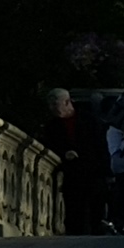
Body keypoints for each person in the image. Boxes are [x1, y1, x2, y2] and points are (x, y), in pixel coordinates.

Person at [43, 89, 109, 235]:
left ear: (67, 102)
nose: (52, 108)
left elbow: (101, 146)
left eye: (55, 104)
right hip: (71, 175)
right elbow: (49, 147)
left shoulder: (89, 120)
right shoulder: (52, 126)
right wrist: (64, 154)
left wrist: (105, 172)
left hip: (93, 172)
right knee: (74, 214)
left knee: (95, 213)